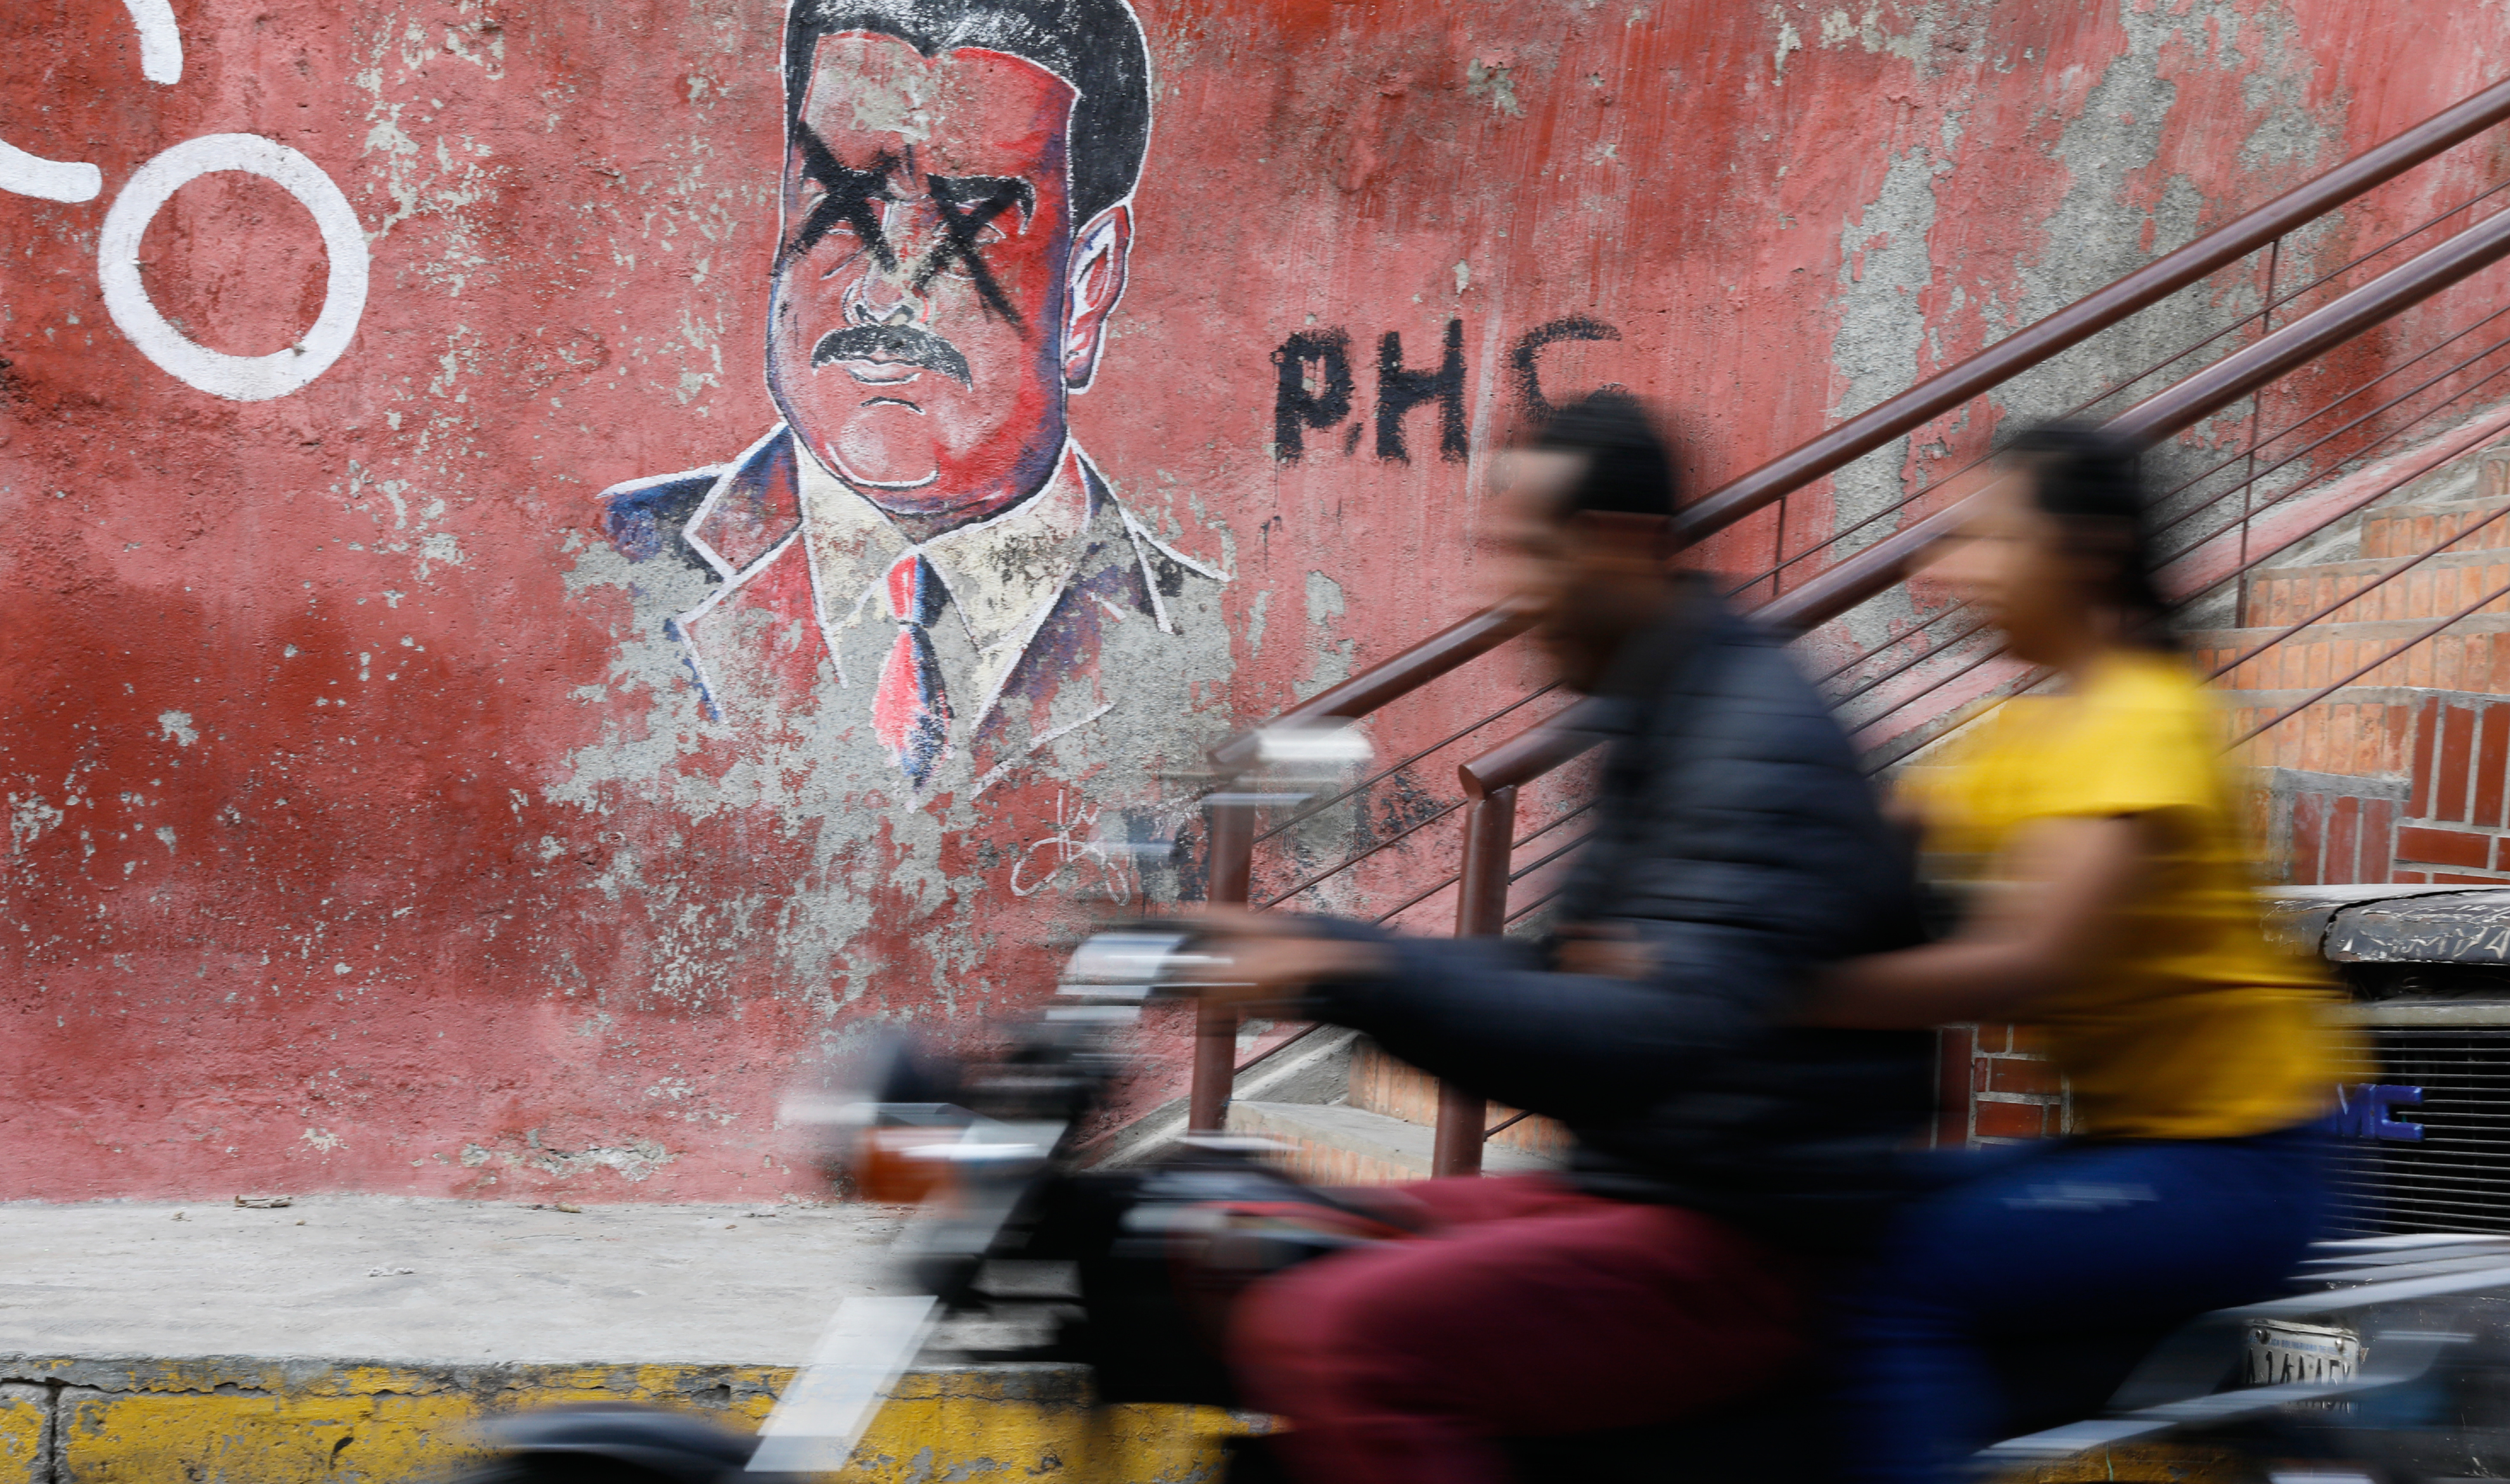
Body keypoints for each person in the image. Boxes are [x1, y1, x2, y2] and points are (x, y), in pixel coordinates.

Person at [1191, 392, 1938, 1484]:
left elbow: (1656, 1030)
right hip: (1645, 1186)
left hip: (1747, 1239)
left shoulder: (1751, 732)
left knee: (1336, 1334)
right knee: (1247, 1230)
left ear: (1621, 544)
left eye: (1529, 553)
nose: (1503, 592)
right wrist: (1320, 950)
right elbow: (1563, 971)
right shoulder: (1665, 703)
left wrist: (1350, 972)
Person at [1815, 423, 2346, 1484]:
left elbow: (2027, 963)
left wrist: (1780, 997)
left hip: (2241, 1167)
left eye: (1985, 539)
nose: (1945, 571)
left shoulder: (2144, 721)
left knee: (1886, 1272)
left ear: (2087, 551)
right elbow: (1862, 845)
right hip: (2140, 1152)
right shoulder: (2023, 735)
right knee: (1841, 1213)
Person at [595, 0, 1224, 800]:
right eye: (839, 210)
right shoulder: (612, 566)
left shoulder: (1220, 640)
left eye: (968, 229)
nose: (882, 296)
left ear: (1089, 285)